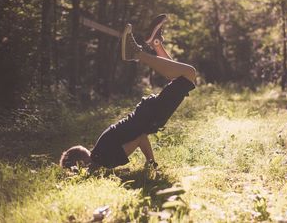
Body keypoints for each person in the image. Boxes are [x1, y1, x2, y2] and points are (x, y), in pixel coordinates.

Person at [59, 14, 196, 170]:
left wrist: (150, 164)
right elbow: (141, 137)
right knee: (181, 76)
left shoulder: (104, 159)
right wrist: (151, 164)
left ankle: (137, 53)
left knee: (188, 74)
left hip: (150, 116)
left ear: (80, 165)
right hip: (145, 114)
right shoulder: (100, 151)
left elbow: (138, 139)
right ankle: (155, 44)